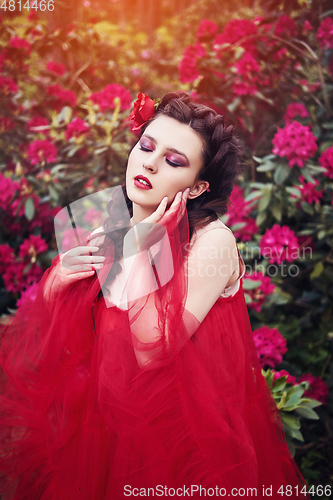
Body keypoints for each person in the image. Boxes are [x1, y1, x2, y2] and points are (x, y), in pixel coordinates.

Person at [0, 92, 311, 499]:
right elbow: (73, 348)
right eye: (146, 146)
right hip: (107, 431)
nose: (149, 162)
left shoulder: (211, 242)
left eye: (173, 160)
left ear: (198, 186)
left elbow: (151, 348)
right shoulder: (109, 235)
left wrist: (137, 252)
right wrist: (55, 286)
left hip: (179, 442)